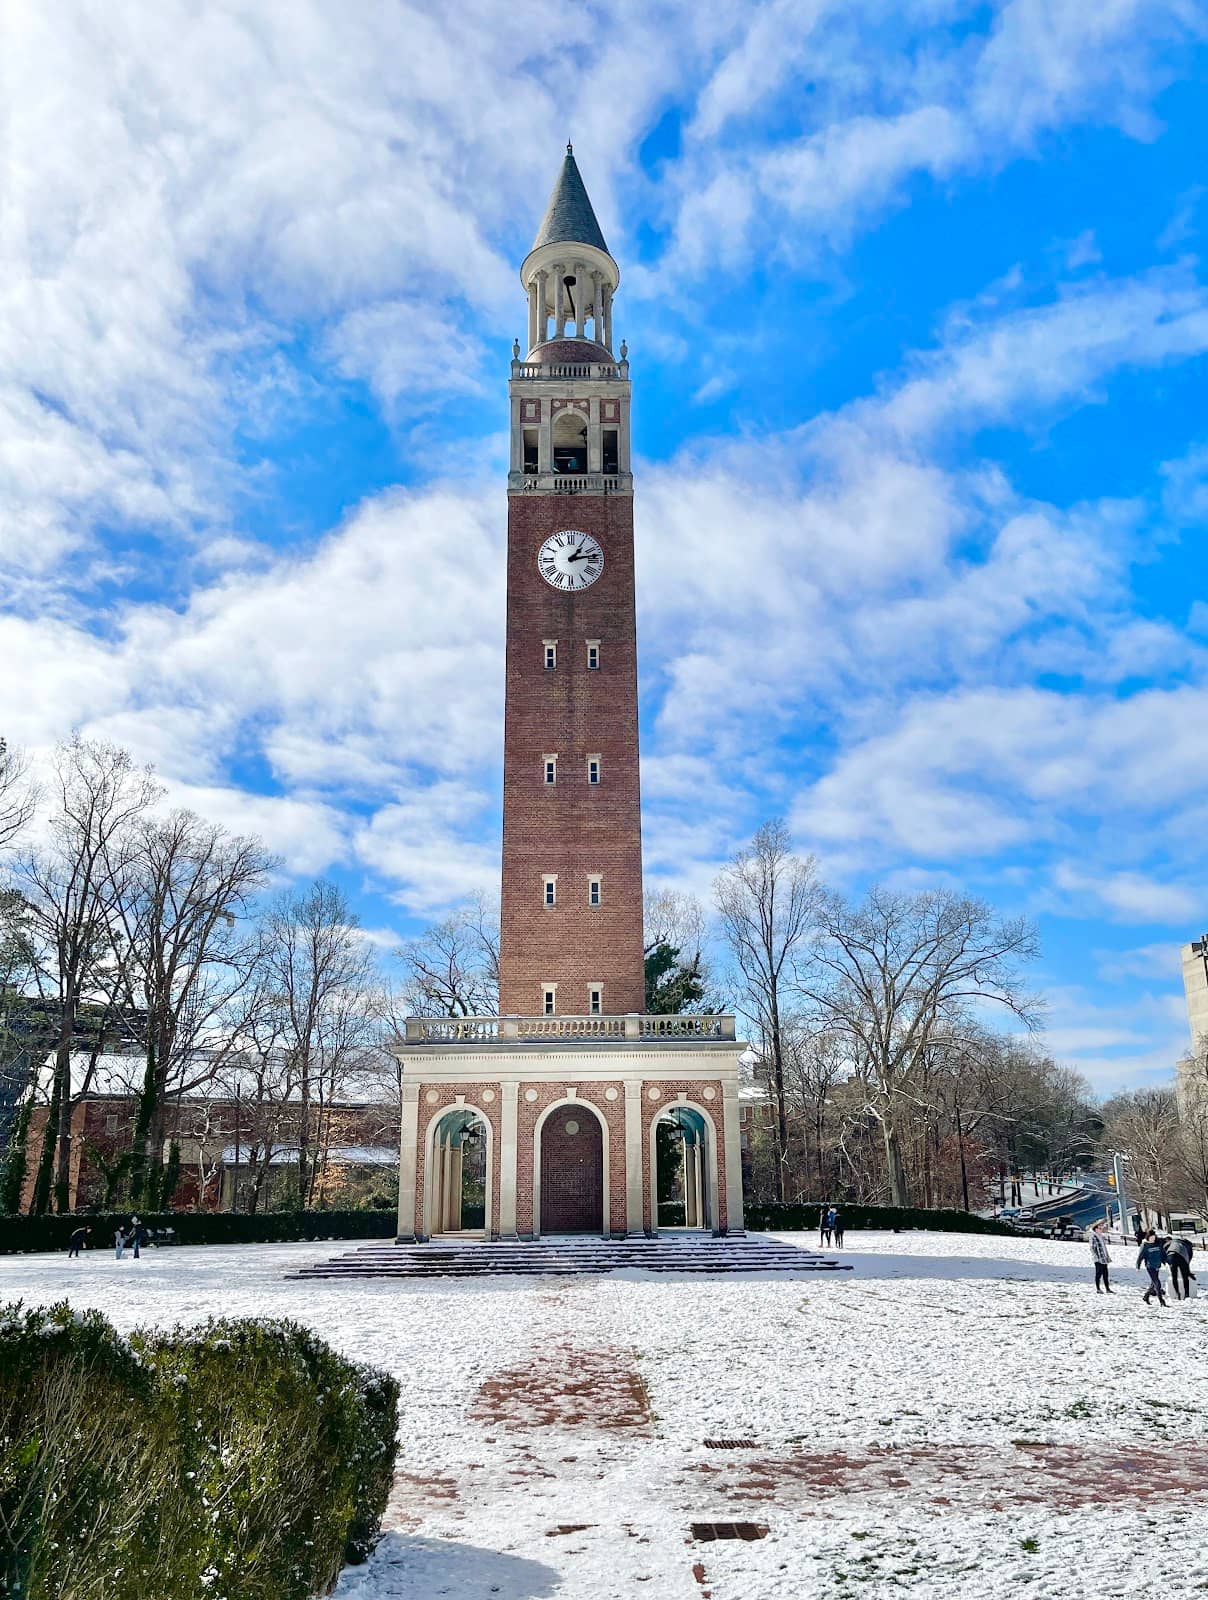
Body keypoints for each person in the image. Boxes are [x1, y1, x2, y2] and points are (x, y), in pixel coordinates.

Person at [1136, 1229, 1167, 1306]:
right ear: (1148, 1237)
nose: (1153, 1239)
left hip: (1157, 1265)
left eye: (1154, 1237)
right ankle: (1161, 1301)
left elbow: (1162, 1254)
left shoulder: (1158, 1244)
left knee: (1153, 1283)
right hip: (1150, 1266)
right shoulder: (1145, 1245)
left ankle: (1146, 1296)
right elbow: (1140, 1256)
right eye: (1151, 1237)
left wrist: (1166, 1263)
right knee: (1157, 1283)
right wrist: (1138, 1266)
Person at [1166, 1235, 1196, 1301]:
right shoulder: (1187, 1245)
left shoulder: (1170, 1242)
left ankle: (1177, 1294)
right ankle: (1187, 1294)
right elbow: (1189, 1257)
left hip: (1171, 1256)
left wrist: (1167, 1262)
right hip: (1182, 1257)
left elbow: (1163, 1252)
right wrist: (1188, 1271)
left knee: (1174, 1276)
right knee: (1185, 1276)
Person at [1089, 1222, 1112, 1293]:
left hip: (1104, 1258)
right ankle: (1098, 1288)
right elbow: (1092, 1247)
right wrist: (1096, 1256)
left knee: (1106, 1273)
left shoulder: (1101, 1236)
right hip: (1098, 1258)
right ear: (1095, 1229)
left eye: (1101, 1228)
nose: (1101, 1230)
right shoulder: (1093, 1236)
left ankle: (1107, 1288)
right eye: (1099, 1228)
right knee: (1098, 1273)